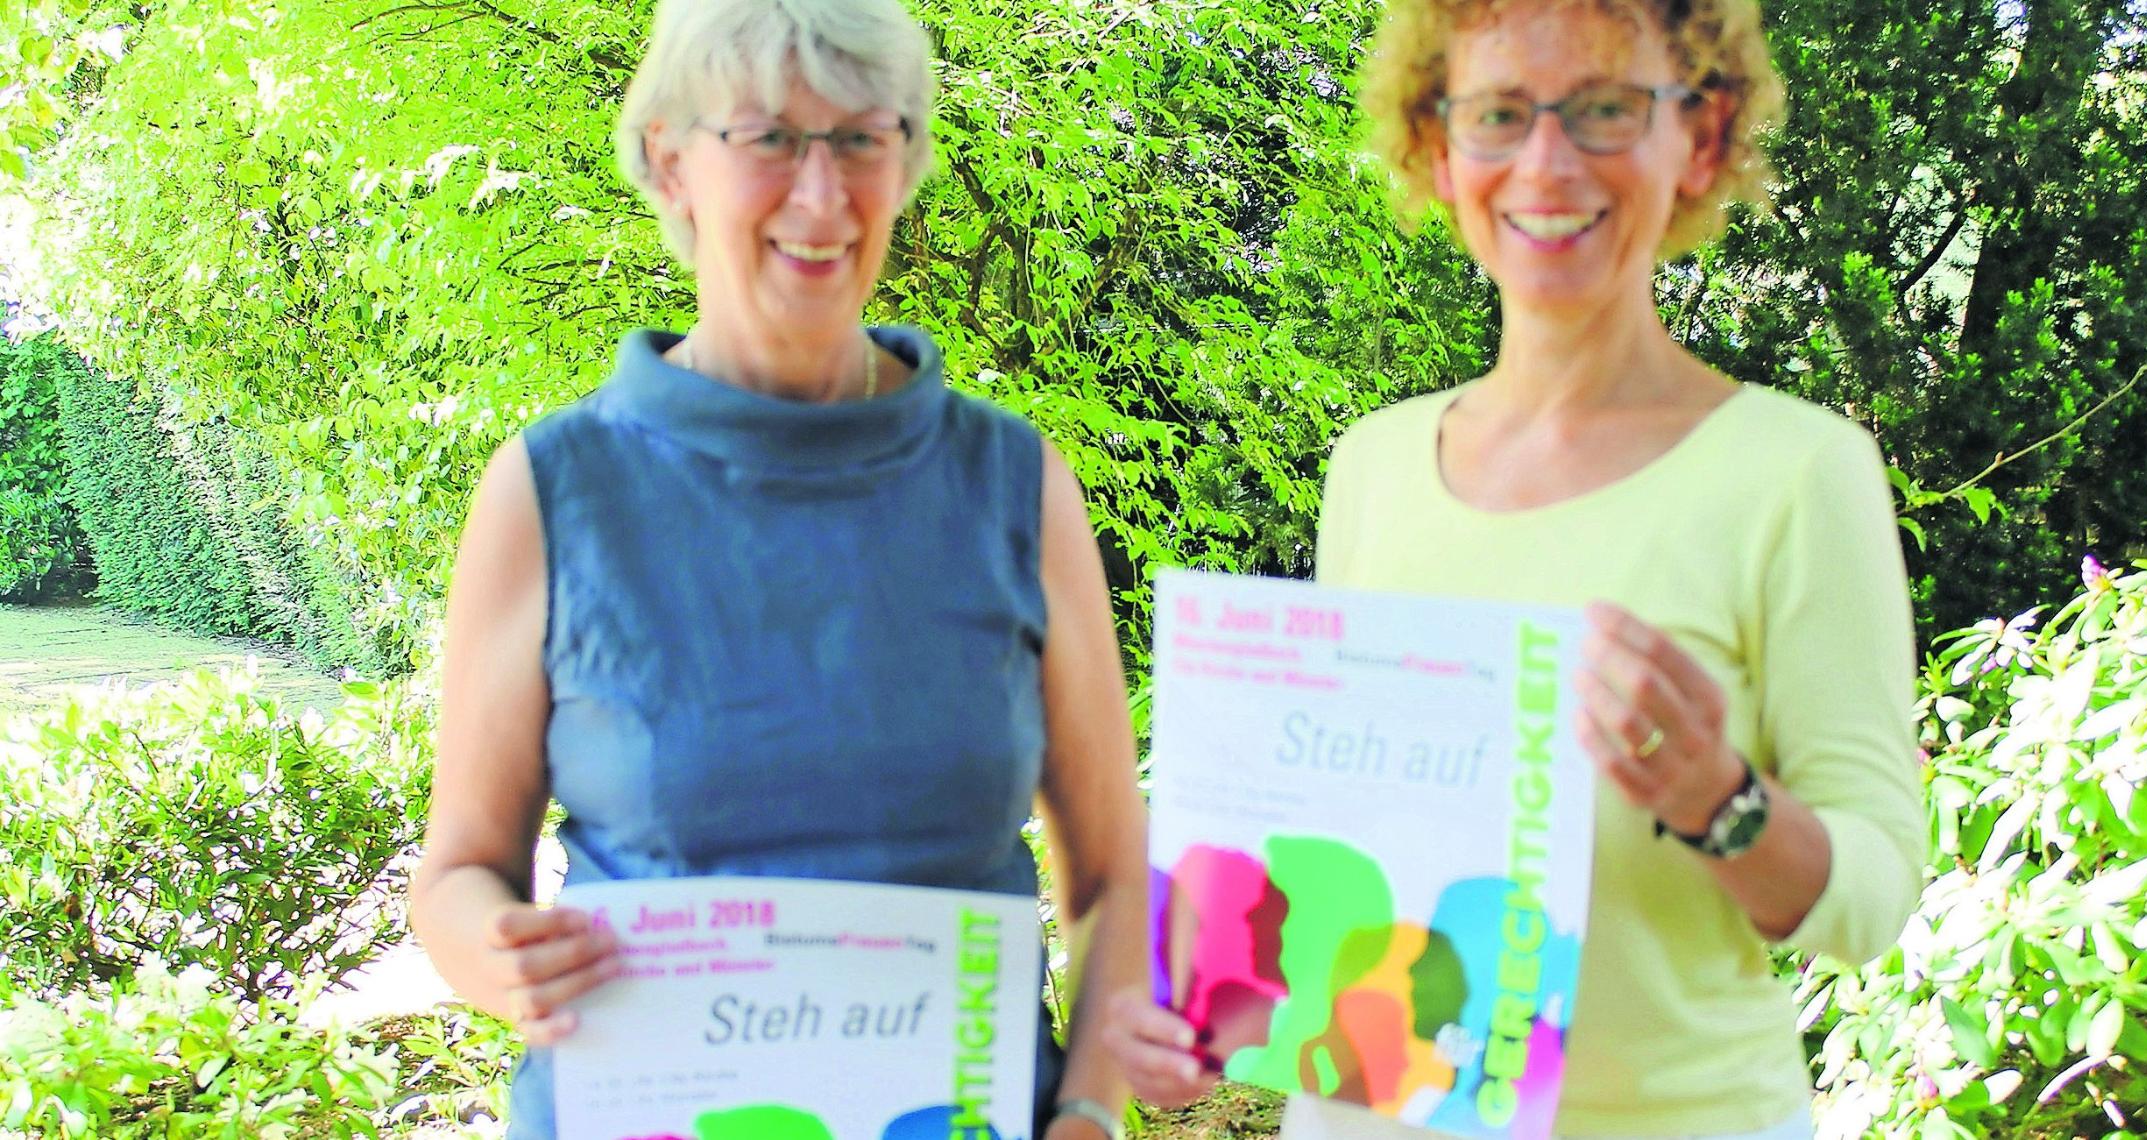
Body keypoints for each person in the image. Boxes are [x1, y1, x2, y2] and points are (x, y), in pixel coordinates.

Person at [1105, 1, 1924, 1137]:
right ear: (1438, 148)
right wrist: (1210, 1006)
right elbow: (1355, 885)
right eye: (1499, 113)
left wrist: (1716, 800)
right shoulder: (1373, 466)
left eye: (1603, 108)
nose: (1546, 162)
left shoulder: (1801, 474)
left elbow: (1873, 899)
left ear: (1701, 132)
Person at [406, 2, 1148, 1137]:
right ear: (670, 159)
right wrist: (497, 955)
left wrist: (1093, 1111)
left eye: (862, 137)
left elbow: (1112, 882)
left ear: (906, 163)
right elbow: (458, 876)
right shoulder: (553, 490)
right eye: (768, 138)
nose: (821, 194)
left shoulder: (1016, 483)